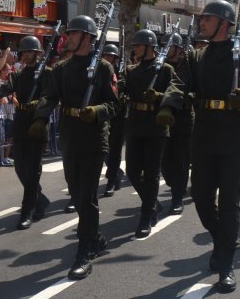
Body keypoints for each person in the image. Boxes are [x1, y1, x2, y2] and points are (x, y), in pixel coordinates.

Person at [161, 0, 240, 293]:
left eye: (207, 19)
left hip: (235, 135)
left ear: (224, 22)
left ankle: (226, 263)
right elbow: (179, 83)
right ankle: (223, 237)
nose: (202, 23)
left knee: (230, 201)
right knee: (199, 196)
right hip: (205, 134)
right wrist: (168, 105)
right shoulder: (198, 56)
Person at [31, 15, 120, 280]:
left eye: (73, 33)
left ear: (88, 38)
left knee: (86, 195)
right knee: (76, 191)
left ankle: (83, 252)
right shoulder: (62, 68)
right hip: (70, 135)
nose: (67, 37)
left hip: (94, 138)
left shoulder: (104, 68)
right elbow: (50, 95)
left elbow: (115, 105)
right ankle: (97, 237)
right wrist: (40, 116)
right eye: (68, 33)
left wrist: (96, 111)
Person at [0, 35, 52, 230]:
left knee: (32, 170)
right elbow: (8, 87)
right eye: (23, 52)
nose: (24, 55)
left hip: (37, 123)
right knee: (20, 169)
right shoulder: (19, 74)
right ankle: (40, 199)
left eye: (28, 52)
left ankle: (27, 211)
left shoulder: (47, 73)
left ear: (38, 53)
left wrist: (39, 105)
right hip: (21, 122)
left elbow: (51, 96)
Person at [122, 29, 174, 238]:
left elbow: (174, 94)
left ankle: (146, 216)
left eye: (138, 45)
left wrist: (159, 95)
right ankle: (151, 202)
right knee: (133, 172)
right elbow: (124, 91)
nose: (135, 49)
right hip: (135, 124)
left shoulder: (165, 69)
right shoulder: (131, 70)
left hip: (156, 126)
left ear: (150, 47)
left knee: (151, 174)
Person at [161, 34, 193, 215]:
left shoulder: (187, 66)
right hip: (163, 120)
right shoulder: (162, 67)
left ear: (179, 49)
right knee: (165, 164)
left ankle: (177, 197)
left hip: (183, 118)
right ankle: (175, 186)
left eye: (169, 46)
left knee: (180, 161)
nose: (165, 48)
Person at [101, 43, 127, 198]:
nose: (108, 58)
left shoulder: (122, 72)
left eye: (111, 56)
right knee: (104, 151)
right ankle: (116, 171)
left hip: (118, 117)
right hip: (104, 117)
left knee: (115, 150)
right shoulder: (99, 71)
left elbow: (123, 87)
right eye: (106, 56)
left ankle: (111, 180)